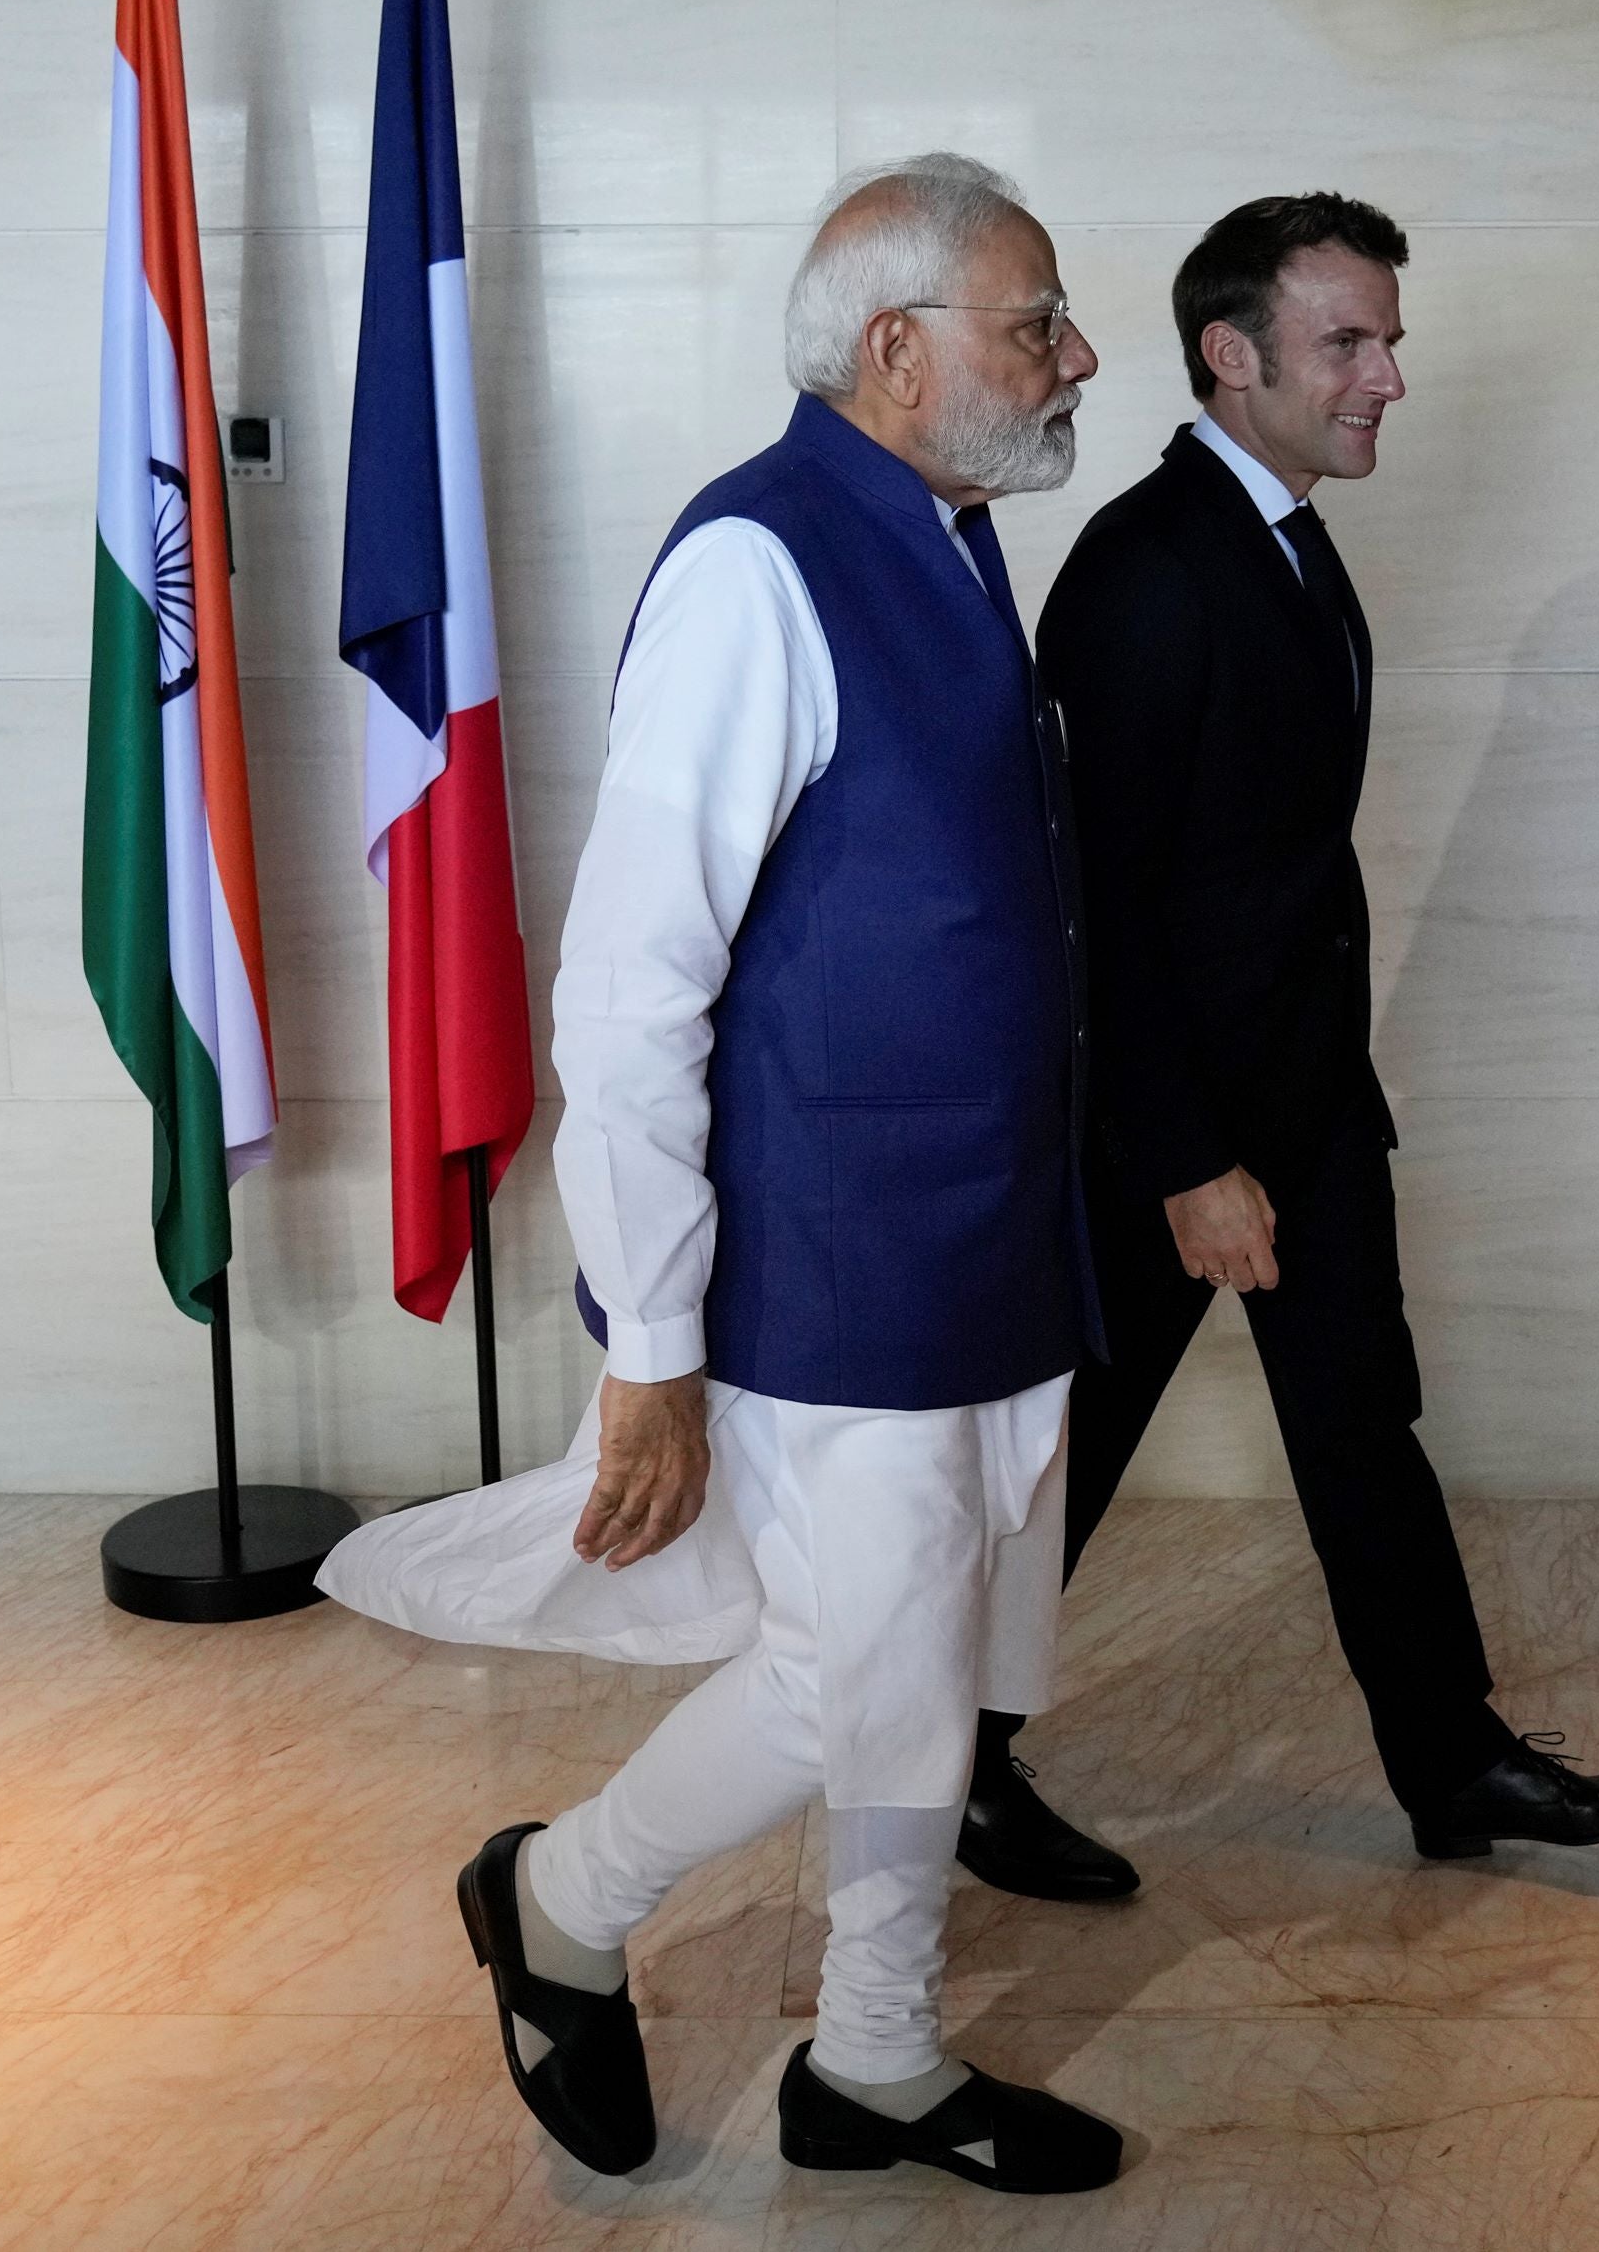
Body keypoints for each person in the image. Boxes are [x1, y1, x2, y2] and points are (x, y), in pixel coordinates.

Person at [325, 155, 1121, 2196]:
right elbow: (626, 982)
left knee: (911, 1671)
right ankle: (570, 1907)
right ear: (894, 351)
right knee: (859, 1670)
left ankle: (861, 2055)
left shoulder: (943, 541)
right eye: (1034, 321)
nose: (1073, 354)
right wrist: (652, 1336)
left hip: (980, 1249)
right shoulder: (761, 563)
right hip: (840, 1268)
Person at [959, 192, 1599, 1903]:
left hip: (1305, 1102)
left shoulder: (1288, 534)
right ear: (1236, 357)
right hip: (1173, 1132)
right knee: (1054, 1468)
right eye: (1348, 343)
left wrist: (1303, 1114)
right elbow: (1106, 908)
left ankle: (1455, 1766)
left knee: (1367, 1425)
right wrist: (1187, 1160)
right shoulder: (1147, 569)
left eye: (1390, 341)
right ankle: (945, 1763)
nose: (1387, 379)